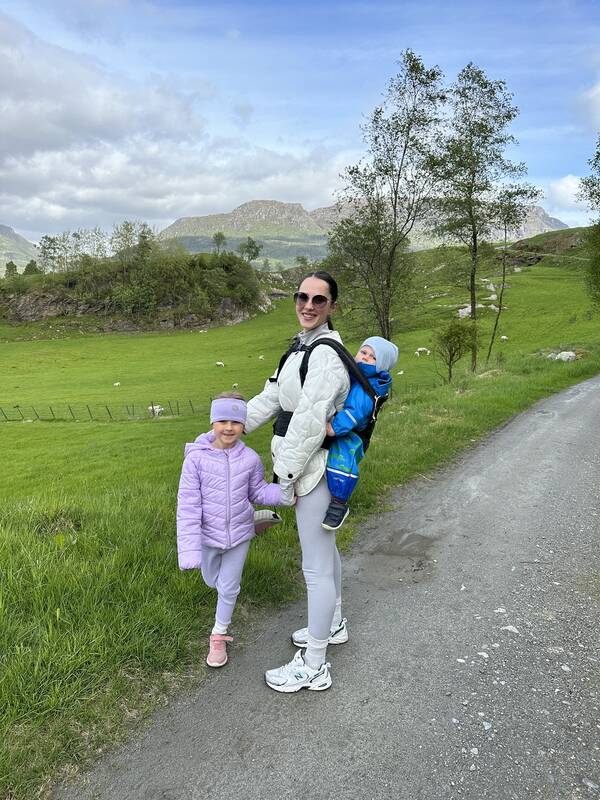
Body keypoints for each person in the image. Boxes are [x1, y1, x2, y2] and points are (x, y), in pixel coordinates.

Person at [244, 271, 351, 693]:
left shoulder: (325, 356)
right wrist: (227, 428)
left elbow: (307, 424)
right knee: (325, 552)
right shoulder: (300, 348)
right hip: (307, 466)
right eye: (302, 296)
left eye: (318, 300)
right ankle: (333, 622)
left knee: (315, 568)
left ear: (332, 306)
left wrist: (284, 480)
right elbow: (272, 398)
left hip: (313, 469)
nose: (308, 305)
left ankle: (315, 665)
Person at [176, 392, 293, 668]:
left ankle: (218, 634)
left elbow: (258, 491)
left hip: (240, 532)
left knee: (229, 587)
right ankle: (258, 524)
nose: (229, 428)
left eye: (236, 422)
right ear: (213, 422)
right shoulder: (195, 460)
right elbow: (188, 506)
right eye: (222, 421)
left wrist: (286, 495)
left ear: (243, 425)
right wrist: (189, 551)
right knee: (211, 580)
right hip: (208, 536)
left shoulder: (250, 458)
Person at [322, 336, 398, 531]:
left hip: (353, 434)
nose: (365, 357)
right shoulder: (356, 375)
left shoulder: (368, 387)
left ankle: (339, 503)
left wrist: (333, 428)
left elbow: (354, 412)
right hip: (347, 428)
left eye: (373, 357)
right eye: (363, 352)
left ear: (381, 366)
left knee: (342, 460)